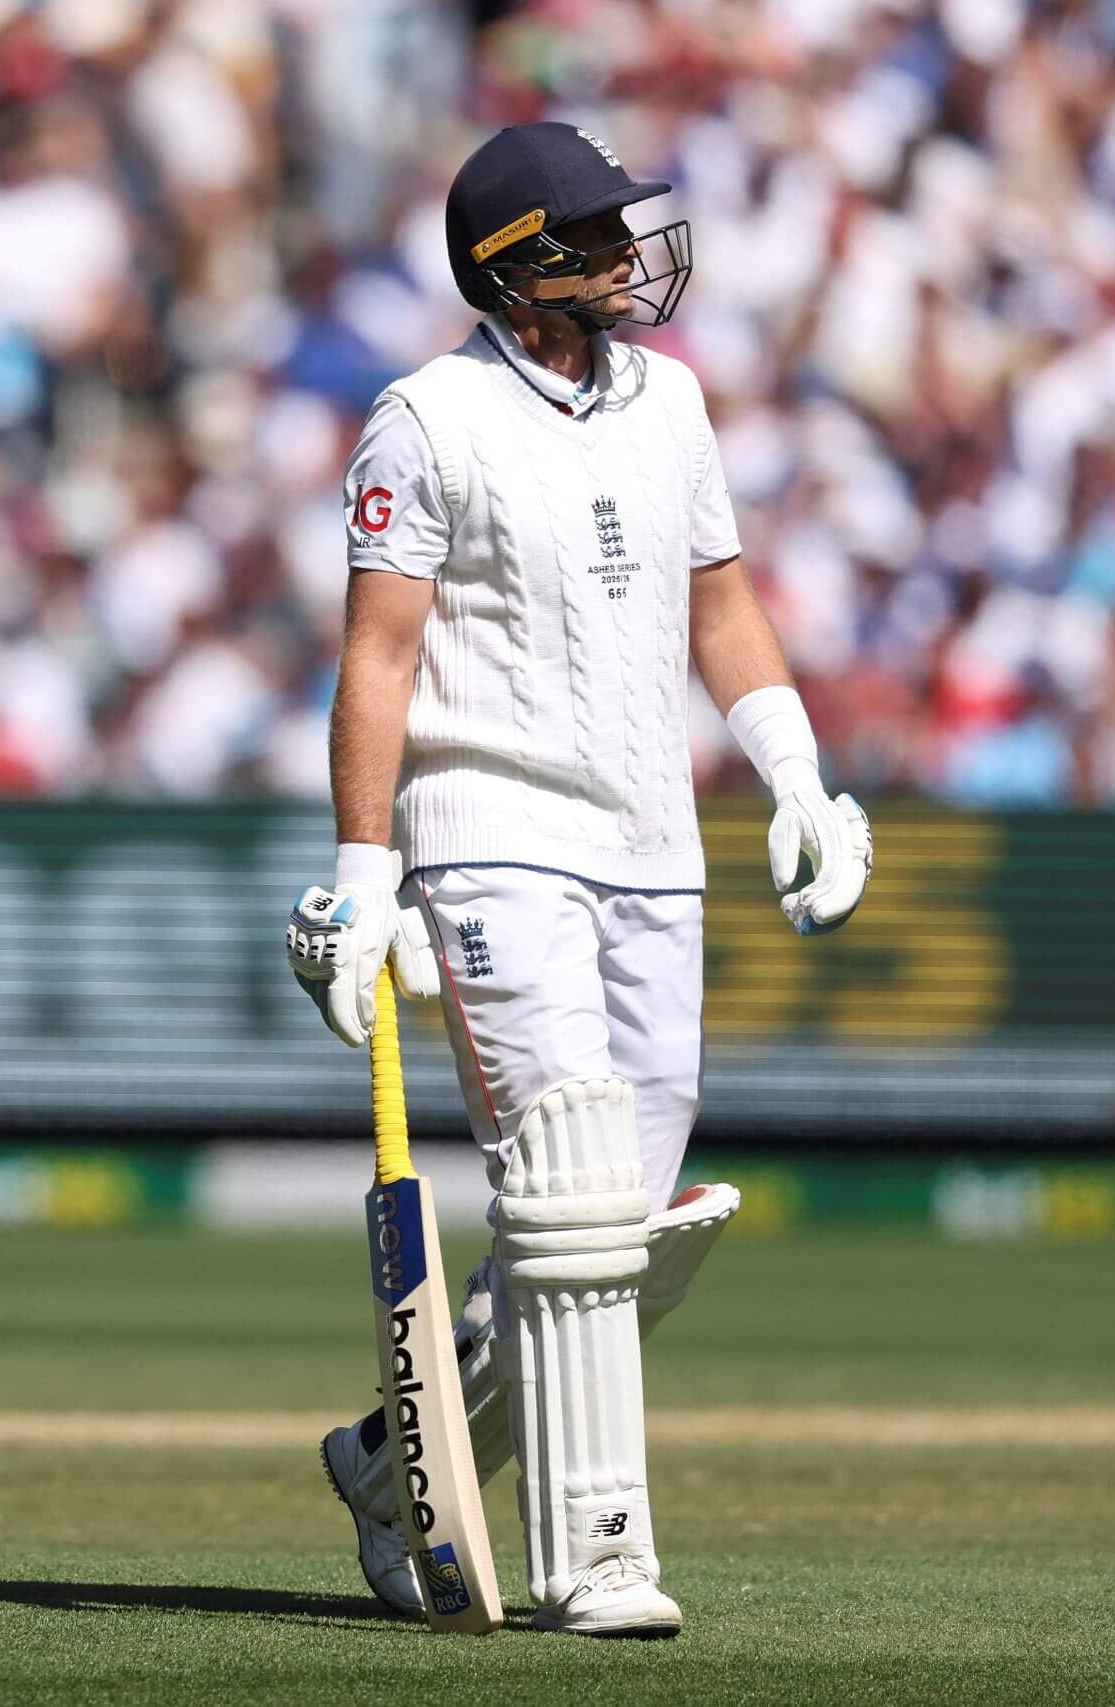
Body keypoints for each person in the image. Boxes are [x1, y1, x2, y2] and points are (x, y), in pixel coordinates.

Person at [285, 122, 873, 1639]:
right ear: (518, 266)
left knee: (631, 1225)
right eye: (598, 231)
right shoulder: (424, 420)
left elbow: (723, 609)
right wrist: (365, 870)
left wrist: (798, 772)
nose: (633, 250)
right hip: (487, 833)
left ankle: (387, 1467)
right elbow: (379, 658)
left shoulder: (670, 401)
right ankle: (597, 1553)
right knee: (566, 1188)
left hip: (649, 842)